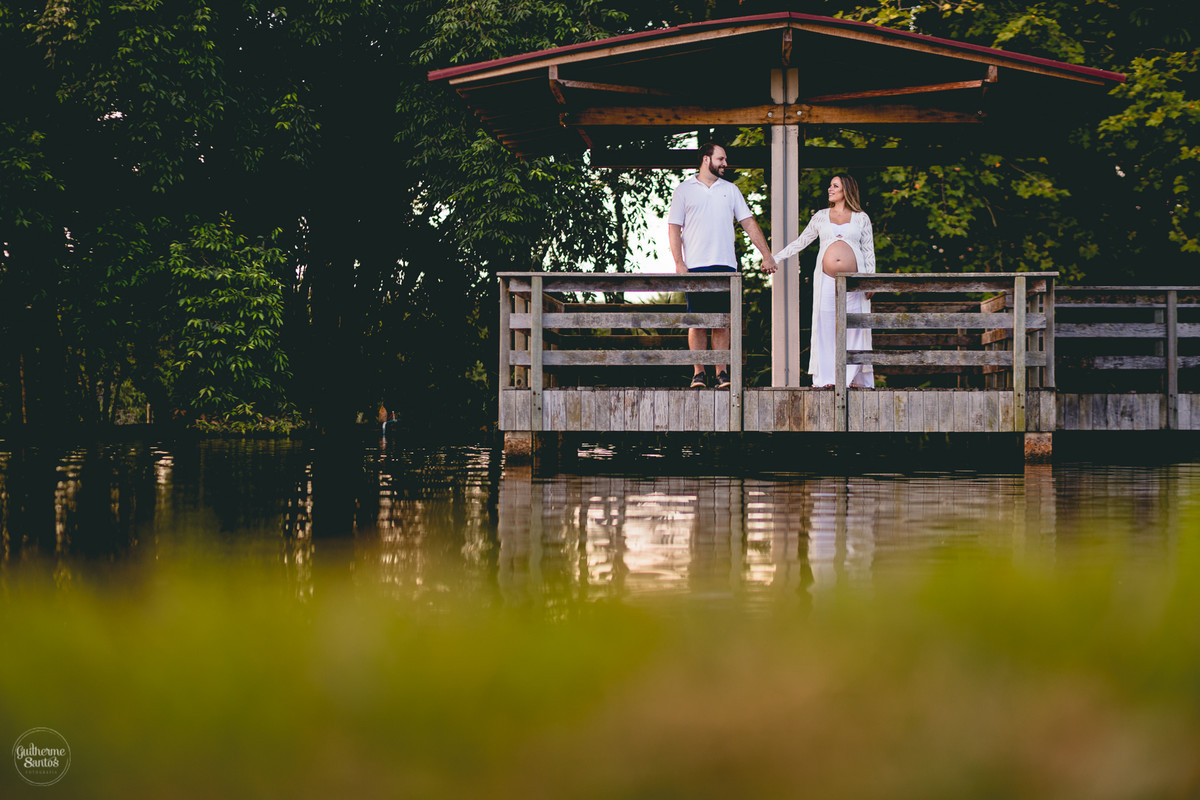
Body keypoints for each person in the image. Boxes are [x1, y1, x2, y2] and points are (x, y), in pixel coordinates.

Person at [668, 143, 777, 389]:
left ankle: (721, 373)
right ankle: (698, 374)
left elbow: (748, 223)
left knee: (722, 321)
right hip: (695, 266)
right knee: (697, 322)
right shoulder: (684, 190)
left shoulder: (731, 189)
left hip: (725, 264)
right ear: (706, 159)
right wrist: (679, 262)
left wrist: (767, 255)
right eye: (721, 159)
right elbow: (674, 228)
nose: (725, 164)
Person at [772, 173, 875, 389]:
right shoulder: (820, 216)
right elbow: (802, 241)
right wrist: (775, 258)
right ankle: (828, 379)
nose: (830, 189)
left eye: (835, 186)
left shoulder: (861, 218)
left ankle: (851, 378)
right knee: (825, 325)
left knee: (855, 326)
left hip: (855, 283)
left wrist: (870, 280)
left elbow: (868, 250)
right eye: (830, 185)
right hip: (827, 280)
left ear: (846, 189)